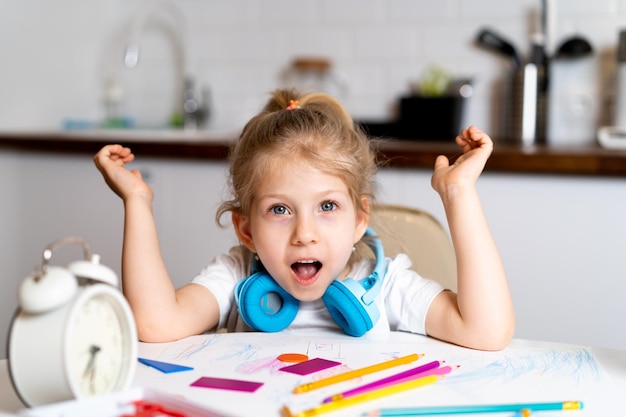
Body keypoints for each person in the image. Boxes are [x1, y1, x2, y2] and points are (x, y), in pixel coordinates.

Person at [94, 89, 514, 351]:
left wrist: (458, 194)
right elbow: (154, 323)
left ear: (358, 220)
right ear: (247, 231)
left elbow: (487, 332)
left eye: (327, 207)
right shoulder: (236, 277)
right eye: (279, 210)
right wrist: (137, 201)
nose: (305, 234)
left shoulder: (385, 285)